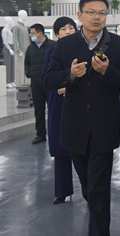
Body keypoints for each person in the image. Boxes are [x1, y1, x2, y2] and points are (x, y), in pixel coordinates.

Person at [45, 0, 120, 236]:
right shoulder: (65, 45)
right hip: (75, 127)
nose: (97, 17)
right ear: (80, 15)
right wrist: (70, 75)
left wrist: (107, 71)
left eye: (102, 13)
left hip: (104, 127)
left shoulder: (118, 44)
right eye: (91, 12)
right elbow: (49, 79)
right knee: (88, 186)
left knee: (98, 188)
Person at [41, 17, 77, 205]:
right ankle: (62, 191)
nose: (68, 31)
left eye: (71, 28)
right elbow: (46, 78)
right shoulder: (51, 52)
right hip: (58, 105)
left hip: (80, 103)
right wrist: (59, 88)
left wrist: (71, 88)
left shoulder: (83, 50)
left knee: (84, 150)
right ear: (56, 34)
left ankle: (90, 190)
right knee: (61, 150)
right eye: (63, 29)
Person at [25, 23, 56, 144]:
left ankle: (54, 134)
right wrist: (29, 73)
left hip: (49, 83)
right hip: (36, 83)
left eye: (33, 33)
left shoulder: (53, 45)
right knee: (38, 109)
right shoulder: (30, 48)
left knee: (52, 109)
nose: (31, 35)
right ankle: (40, 134)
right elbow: (27, 63)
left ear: (40, 33)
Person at [1, 16, 15, 88]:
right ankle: (7, 81)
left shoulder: (10, 30)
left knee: (12, 65)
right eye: (10, 20)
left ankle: (12, 80)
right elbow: (5, 41)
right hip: (7, 48)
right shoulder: (4, 30)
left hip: (12, 46)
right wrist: (9, 49)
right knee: (8, 65)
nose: (12, 21)